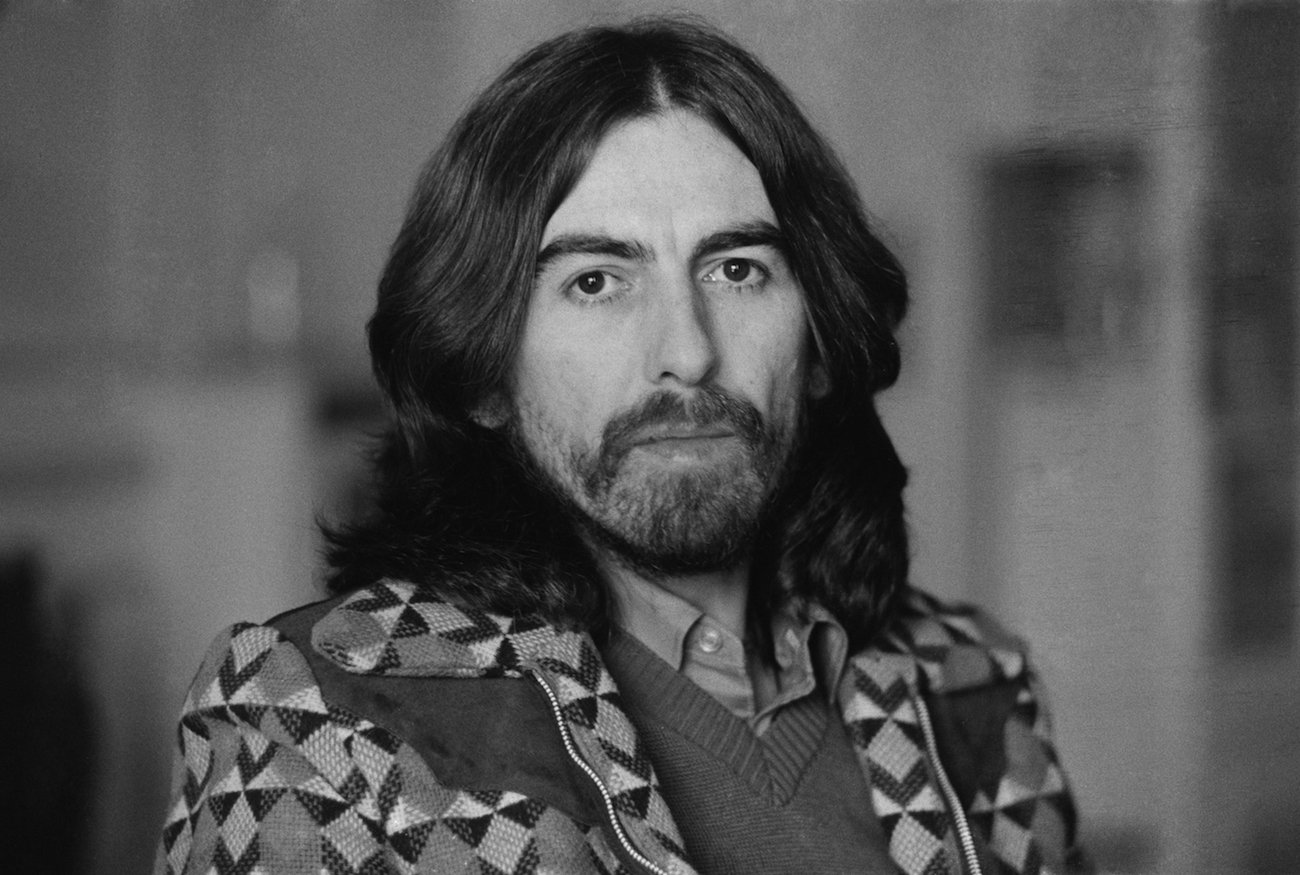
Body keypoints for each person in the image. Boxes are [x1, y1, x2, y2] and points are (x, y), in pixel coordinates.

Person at [157, 17, 1089, 875]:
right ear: (484, 374)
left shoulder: (974, 689)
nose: (686, 351)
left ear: (818, 344)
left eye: (737, 270)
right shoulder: (316, 712)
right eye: (597, 282)